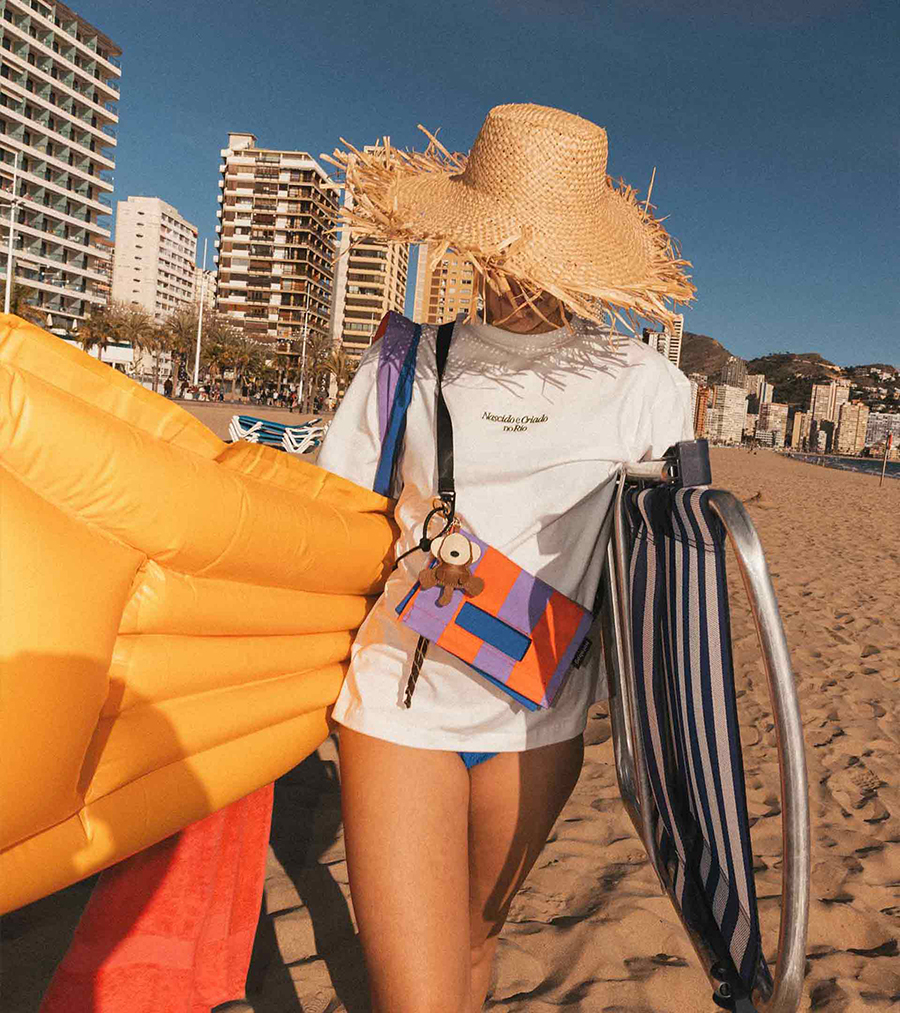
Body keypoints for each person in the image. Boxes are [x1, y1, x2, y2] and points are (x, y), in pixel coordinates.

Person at [317, 103, 695, 1012]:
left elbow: (667, 580)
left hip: (541, 722)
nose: (520, 270)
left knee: (475, 946)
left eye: (542, 247)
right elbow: (329, 525)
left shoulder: (646, 387)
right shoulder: (406, 361)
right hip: (398, 705)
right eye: (505, 243)